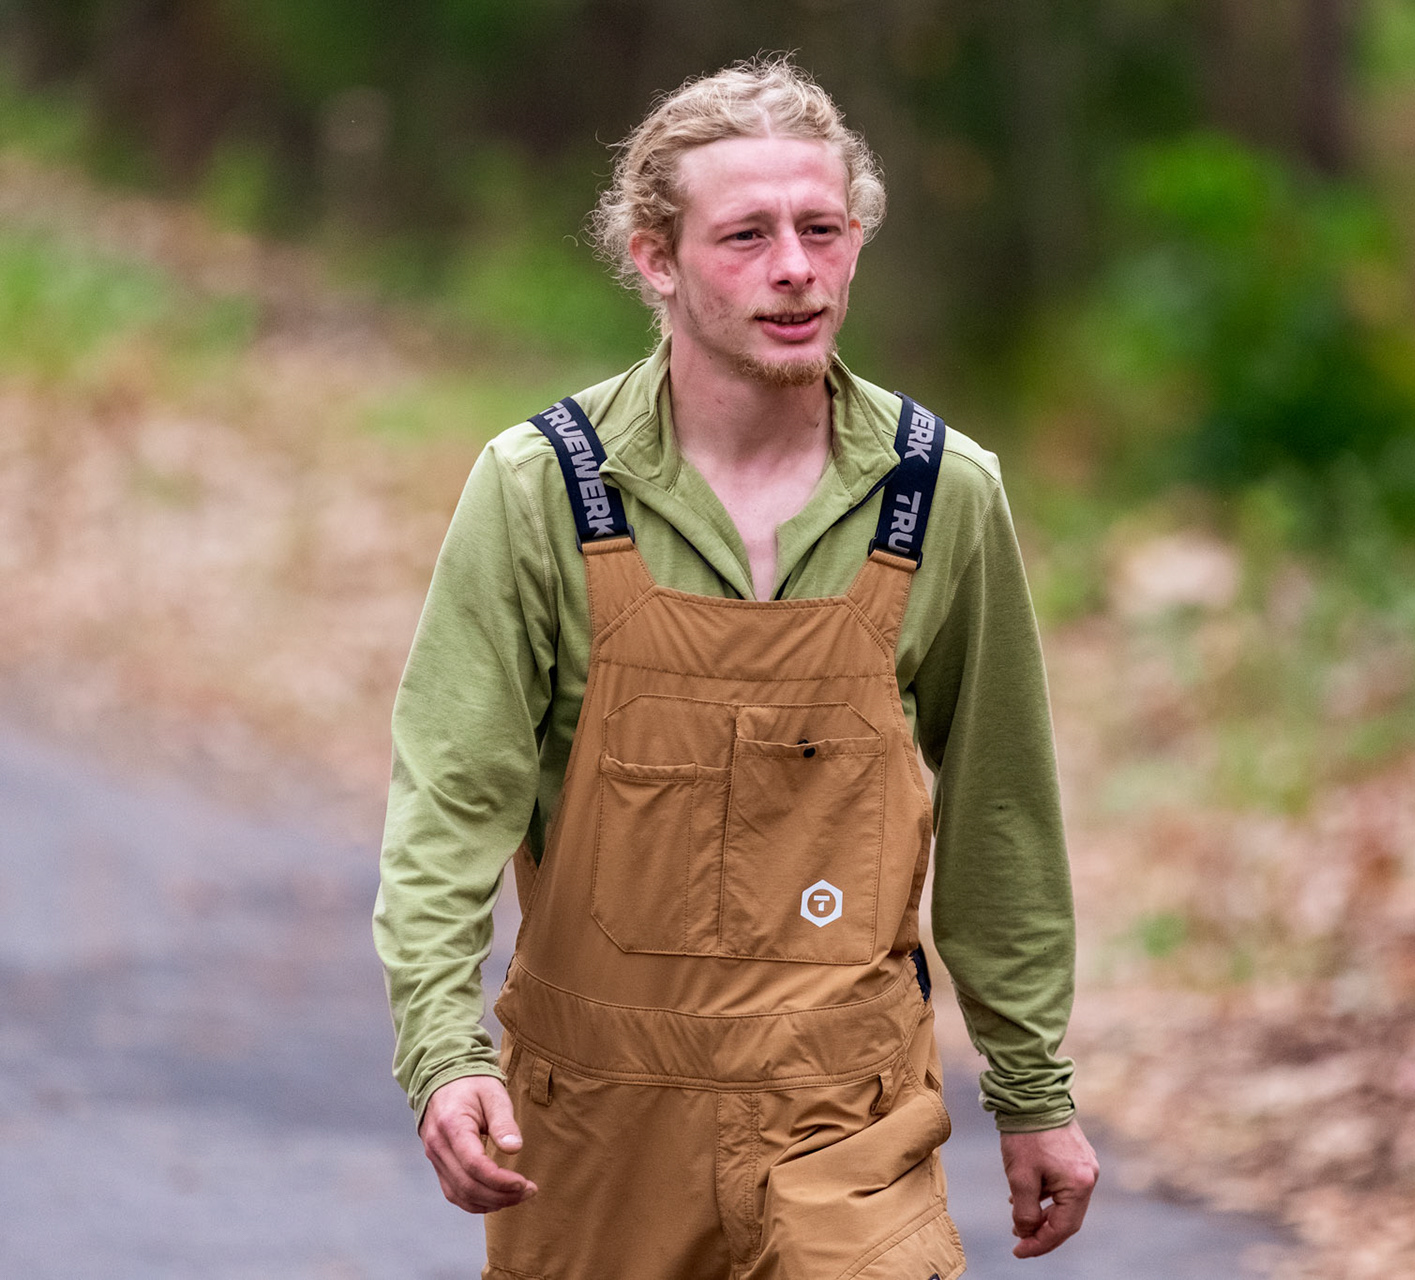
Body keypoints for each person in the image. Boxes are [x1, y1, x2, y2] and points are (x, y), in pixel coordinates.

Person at [372, 55, 1097, 1279]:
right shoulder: (542, 488)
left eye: (822, 228)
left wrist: (1033, 1086)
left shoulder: (942, 495)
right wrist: (445, 1054)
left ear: (857, 239)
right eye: (747, 236)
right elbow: (449, 801)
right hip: (593, 1134)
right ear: (655, 257)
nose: (795, 269)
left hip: (844, 1116)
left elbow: (1002, 810)